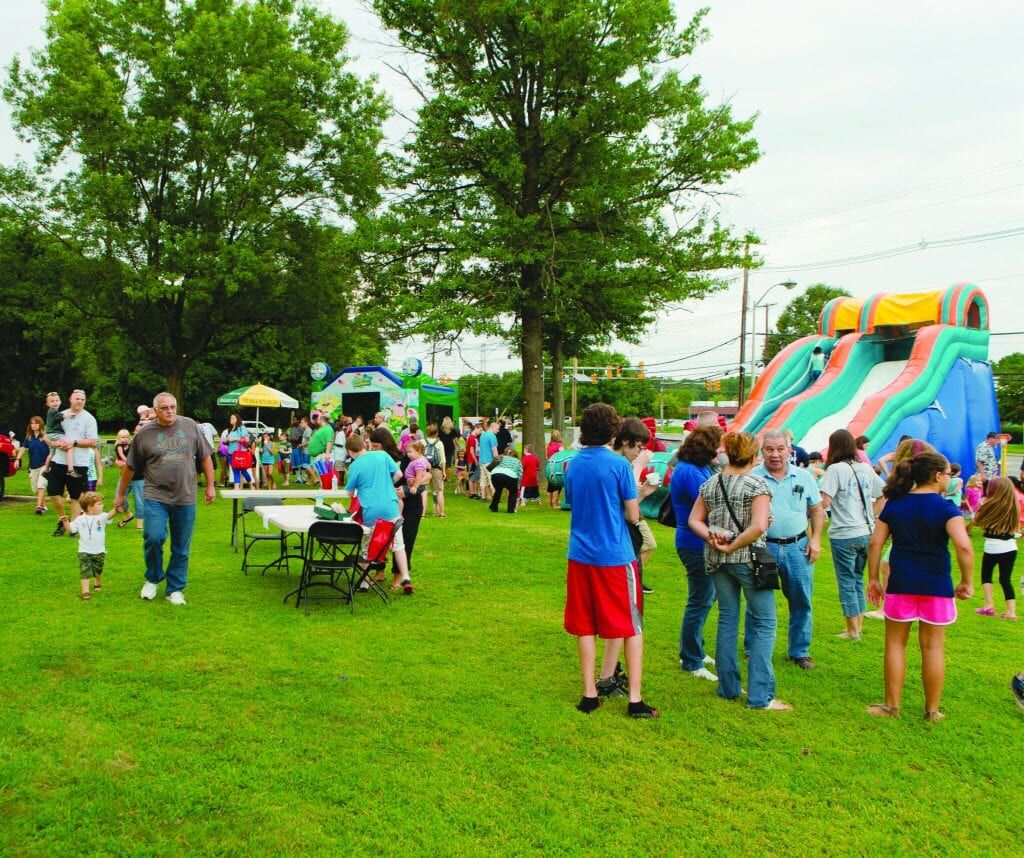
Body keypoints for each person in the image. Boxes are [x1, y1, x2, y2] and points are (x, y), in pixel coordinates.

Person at [563, 403, 658, 718]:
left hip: (580, 554)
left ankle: (590, 694)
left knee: (585, 625)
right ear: (613, 431)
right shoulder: (618, 466)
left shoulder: (573, 465)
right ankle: (635, 700)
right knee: (632, 625)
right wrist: (641, 493)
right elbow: (632, 514)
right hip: (615, 557)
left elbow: (575, 503)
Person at [866, 450, 974, 721]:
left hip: (901, 583)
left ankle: (891, 706)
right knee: (933, 648)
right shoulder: (946, 508)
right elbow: (963, 545)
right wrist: (966, 581)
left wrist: (874, 579)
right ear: (937, 475)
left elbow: (875, 543)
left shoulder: (896, 504)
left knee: (894, 644)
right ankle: (932, 710)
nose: (950, 478)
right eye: (948, 474)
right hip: (936, 586)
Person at [689, 431, 791, 712]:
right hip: (748, 559)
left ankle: (728, 688)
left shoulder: (711, 482)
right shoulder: (757, 484)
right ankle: (760, 697)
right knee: (764, 623)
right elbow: (758, 526)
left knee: (727, 619)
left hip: (716, 559)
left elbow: (693, 520)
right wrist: (733, 545)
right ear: (754, 455)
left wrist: (713, 538)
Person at [115, 392, 215, 606]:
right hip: (155, 496)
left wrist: (210, 486)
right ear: (155, 411)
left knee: (181, 545)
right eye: (164, 408)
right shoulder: (144, 434)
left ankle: (175, 589)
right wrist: (120, 494)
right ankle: (152, 578)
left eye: (173, 406)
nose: (170, 411)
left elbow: (205, 457)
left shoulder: (189, 426)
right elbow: (130, 467)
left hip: (185, 496)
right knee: (153, 537)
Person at [752, 430, 825, 670]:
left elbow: (816, 510)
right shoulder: (754, 477)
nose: (775, 455)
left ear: (789, 450)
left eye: (780, 449)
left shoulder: (804, 477)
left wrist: (815, 540)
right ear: (762, 451)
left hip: (798, 547)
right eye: (769, 449)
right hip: (764, 547)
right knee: (759, 601)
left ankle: (800, 651)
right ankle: (753, 648)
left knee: (801, 601)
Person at [669, 424, 723, 681]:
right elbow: (712, 503)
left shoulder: (697, 468)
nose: (720, 451)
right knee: (700, 599)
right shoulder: (690, 472)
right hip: (694, 542)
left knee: (705, 598)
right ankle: (690, 659)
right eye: (717, 447)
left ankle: (696, 650)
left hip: (699, 541)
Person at [820, 428, 885, 641]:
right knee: (857, 579)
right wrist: (873, 516)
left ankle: (852, 630)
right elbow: (883, 493)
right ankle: (858, 626)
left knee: (847, 581)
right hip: (866, 532)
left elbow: (825, 502)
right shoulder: (865, 468)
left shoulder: (835, 470)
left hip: (843, 533)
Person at [346, 431, 413, 594]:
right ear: (365, 445)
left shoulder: (354, 466)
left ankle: (364, 582)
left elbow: (349, 493)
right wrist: (387, 485)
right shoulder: (382, 455)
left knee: (367, 547)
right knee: (398, 544)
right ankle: (405, 577)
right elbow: (398, 474)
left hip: (371, 511)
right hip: (390, 507)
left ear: (350, 452)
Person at [612, 417, 659, 594]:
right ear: (625, 440)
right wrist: (638, 467)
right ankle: (635, 579)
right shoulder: (620, 465)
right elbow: (629, 514)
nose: (640, 451)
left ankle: (636, 579)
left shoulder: (618, 463)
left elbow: (624, 506)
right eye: (638, 446)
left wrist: (642, 493)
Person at [45, 390, 99, 535]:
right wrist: (53, 443)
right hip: (58, 461)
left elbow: (93, 441)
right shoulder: (61, 414)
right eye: (77, 398)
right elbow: (47, 432)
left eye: (82, 399)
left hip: (79, 464)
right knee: (54, 493)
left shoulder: (89, 419)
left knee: (75, 498)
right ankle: (63, 521)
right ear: (70, 399)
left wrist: (73, 443)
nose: (80, 401)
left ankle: (73, 528)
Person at [971, 476, 1019, 620]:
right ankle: (1011, 612)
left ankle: (989, 605)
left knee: (986, 575)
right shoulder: (1013, 505)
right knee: (1005, 579)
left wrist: (981, 505)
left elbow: (976, 521)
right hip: (1010, 548)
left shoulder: (989, 504)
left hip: (992, 547)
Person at [59, 490, 118, 600]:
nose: (102, 506)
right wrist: (65, 522)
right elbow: (71, 530)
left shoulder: (101, 517)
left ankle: (97, 582)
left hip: (99, 551)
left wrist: (116, 509)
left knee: (98, 569)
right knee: (85, 571)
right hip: (84, 551)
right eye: (99, 504)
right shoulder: (80, 519)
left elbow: (110, 515)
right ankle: (85, 591)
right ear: (90, 507)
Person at [21, 416, 50, 514]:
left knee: (41, 485)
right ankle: (44, 506)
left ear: (40, 424)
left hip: (45, 465)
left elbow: (53, 448)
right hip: (33, 466)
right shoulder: (29, 437)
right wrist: (17, 459)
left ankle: (38, 507)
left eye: (36, 423)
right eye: (32, 423)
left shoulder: (46, 436)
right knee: (36, 488)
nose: (33, 425)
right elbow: (23, 448)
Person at [112, 429, 138, 527]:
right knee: (119, 495)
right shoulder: (119, 446)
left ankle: (141, 521)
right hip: (125, 474)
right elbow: (120, 457)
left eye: (126, 437)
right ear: (118, 438)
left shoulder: (133, 446)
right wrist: (127, 462)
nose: (124, 439)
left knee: (140, 498)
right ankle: (128, 514)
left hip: (136, 475)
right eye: (122, 437)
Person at [487, 446, 523, 514]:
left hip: (495, 474)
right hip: (510, 476)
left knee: (498, 490)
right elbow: (520, 474)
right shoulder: (518, 461)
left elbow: (494, 464)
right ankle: (510, 509)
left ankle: (493, 507)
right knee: (513, 492)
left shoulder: (503, 457)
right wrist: (517, 485)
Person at [305, 411, 334, 487]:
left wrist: (327, 454)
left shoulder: (328, 429)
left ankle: (324, 488)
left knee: (324, 474)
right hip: (319, 456)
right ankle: (323, 487)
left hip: (323, 455)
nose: (318, 420)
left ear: (323, 420)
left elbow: (329, 441)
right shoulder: (323, 428)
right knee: (321, 474)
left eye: (320, 419)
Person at [225, 413, 254, 489]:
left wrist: (234, 439)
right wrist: (227, 440)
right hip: (231, 453)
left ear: (237, 419)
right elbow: (230, 439)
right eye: (231, 418)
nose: (231, 419)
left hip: (240, 453)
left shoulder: (242, 428)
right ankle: (236, 488)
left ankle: (251, 484)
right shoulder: (231, 429)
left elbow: (247, 440)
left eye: (233, 418)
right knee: (235, 470)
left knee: (243, 471)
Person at [477, 419, 498, 501]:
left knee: (483, 479)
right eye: (497, 429)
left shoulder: (483, 435)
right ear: (492, 427)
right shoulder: (492, 436)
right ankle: (495, 497)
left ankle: (483, 497)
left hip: (482, 460)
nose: (498, 431)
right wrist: (497, 460)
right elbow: (494, 450)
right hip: (490, 461)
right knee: (492, 479)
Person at [546, 430, 565, 508]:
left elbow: (547, 455)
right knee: (557, 486)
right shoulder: (559, 445)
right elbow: (563, 456)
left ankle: (549, 504)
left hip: (549, 465)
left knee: (550, 485)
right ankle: (555, 504)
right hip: (557, 466)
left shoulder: (549, 445)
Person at [439, 416, 460, 482]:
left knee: (442, 463)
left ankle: (443, 477)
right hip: (450, 448)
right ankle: (448, 478)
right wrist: (460, 446)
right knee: (449, 464)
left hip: (442, 447)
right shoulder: (452, 430)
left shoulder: (441, 430)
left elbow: (438, 439)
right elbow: (456, 440)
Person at [287, 417, 307, 485]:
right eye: (292, 420)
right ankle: (298, 479)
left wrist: (291, 440)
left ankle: (304, 479)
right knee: (295, 464)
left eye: (294, 420)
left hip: (298, 448)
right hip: (293, 447)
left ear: (297, 421)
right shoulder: (292, 428)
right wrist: (289, 439)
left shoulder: (300, 428)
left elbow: (299, 439)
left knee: (300, 464)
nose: (292, 421)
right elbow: (290, 437)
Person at [466, 423, 481, 499]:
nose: (480, 432)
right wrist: (475, 460)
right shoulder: (472, 438)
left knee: (475, 477)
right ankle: (472, 493)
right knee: (472, 477)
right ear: (476, 428)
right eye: (480, 430)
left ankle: (474, 493)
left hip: (474, 459)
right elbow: (471, 451)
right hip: (472, 460)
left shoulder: (473, 437)